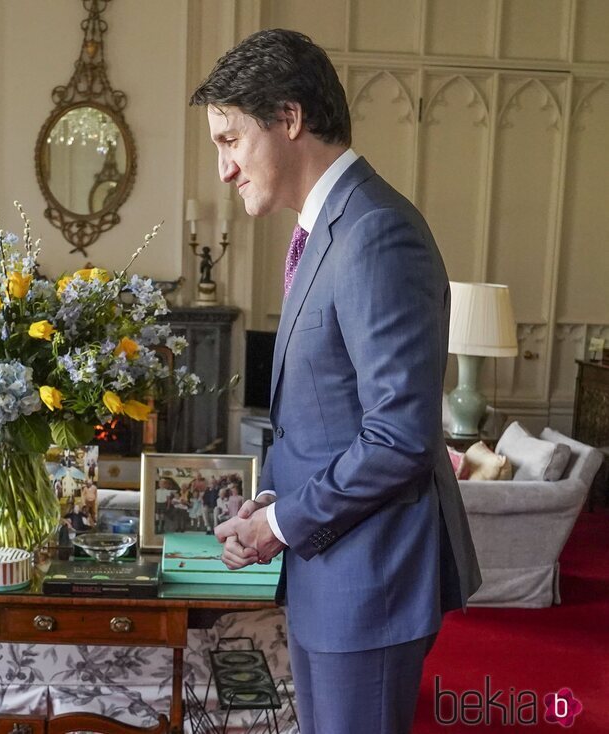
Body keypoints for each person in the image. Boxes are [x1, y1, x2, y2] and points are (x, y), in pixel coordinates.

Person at [191, 29, 481, 734]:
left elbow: (398, 438)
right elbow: (333, 418)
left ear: (288, 119)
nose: (224, 170)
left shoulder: (377, 232)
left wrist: (278, 526)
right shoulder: (326, 231)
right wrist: (271, 501)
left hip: (371, 582)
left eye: (230, 140)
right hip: (337, 572)